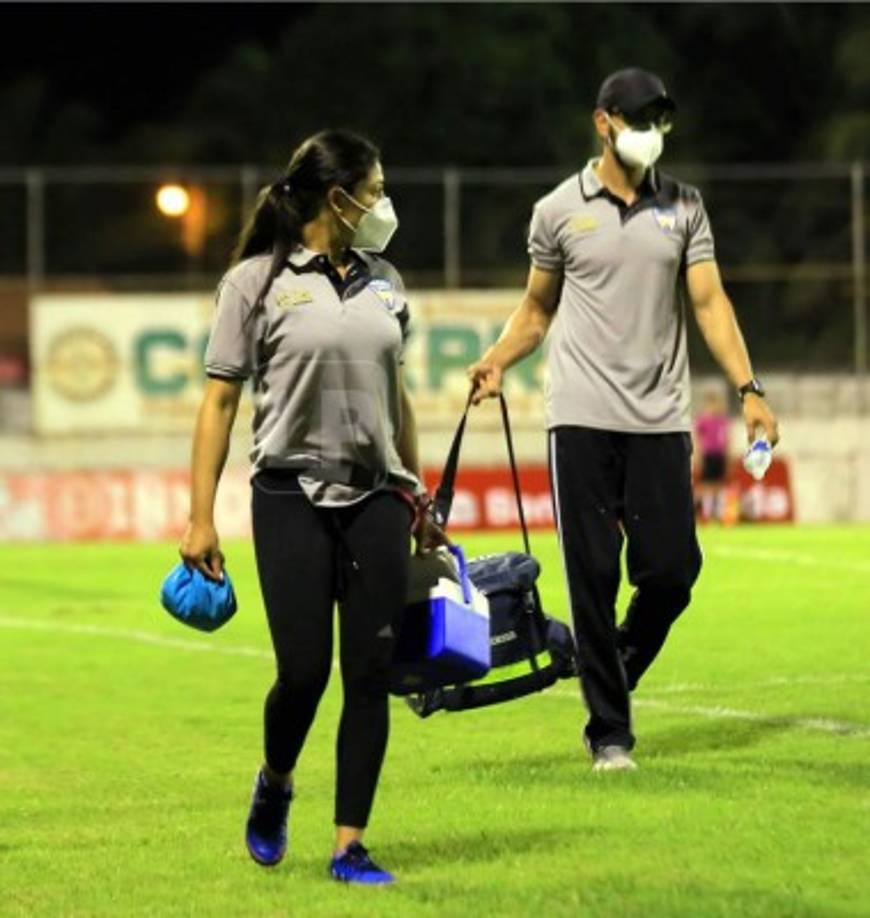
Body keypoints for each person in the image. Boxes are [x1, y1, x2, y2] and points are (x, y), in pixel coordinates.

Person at [467, 68, 779, 770]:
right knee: (594, 576)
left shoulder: (686, 207)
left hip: (661, 418)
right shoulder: (556, 210)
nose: (652, 134)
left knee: (672, 571)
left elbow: (709, 303)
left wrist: (748, 388)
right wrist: (497, 358)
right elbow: (538, 308)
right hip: (580, 414)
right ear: (602, 122)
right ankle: (610, 732)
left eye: (661, 121)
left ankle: (615, 661)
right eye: (640, 120)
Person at [179, 129, 442, 883]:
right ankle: (276, 781)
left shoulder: (388, 280)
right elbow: (219, 402)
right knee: (303, 672)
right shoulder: (253, 283)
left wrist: (417, 494)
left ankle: (348, 844)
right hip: (289, 493)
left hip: (380, 500)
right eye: (377, 189)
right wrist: (201, 518)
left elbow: (399, 398)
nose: (385, 203)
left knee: (370, 671)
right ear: (340, 198)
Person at [693, 388, 733, 522]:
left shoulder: (723, 420)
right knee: (708, 485)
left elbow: (727, 440)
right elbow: (698, 439)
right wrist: (698, 457)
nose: (715, 406)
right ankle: (707, 514)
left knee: (720, 485)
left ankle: (720, 515)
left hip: (719, 454)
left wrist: (728, 457)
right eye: (712, 403)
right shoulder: (703, 419)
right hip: (708, 454)